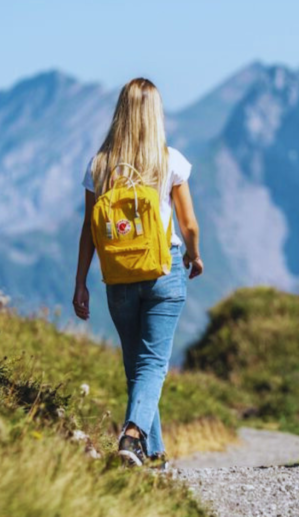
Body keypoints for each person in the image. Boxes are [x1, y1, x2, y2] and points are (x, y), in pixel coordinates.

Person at [72, 77, 204, 468]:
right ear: (155, 114)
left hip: (119, 278)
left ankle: (154, 456)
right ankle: (132, 438)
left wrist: (80, 282)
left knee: (137, 365)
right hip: (164, 272)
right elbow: (190, 224)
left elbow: (89, 229)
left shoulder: (99, 166)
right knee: (152, 365)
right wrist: (194, 256)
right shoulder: (170, 160)